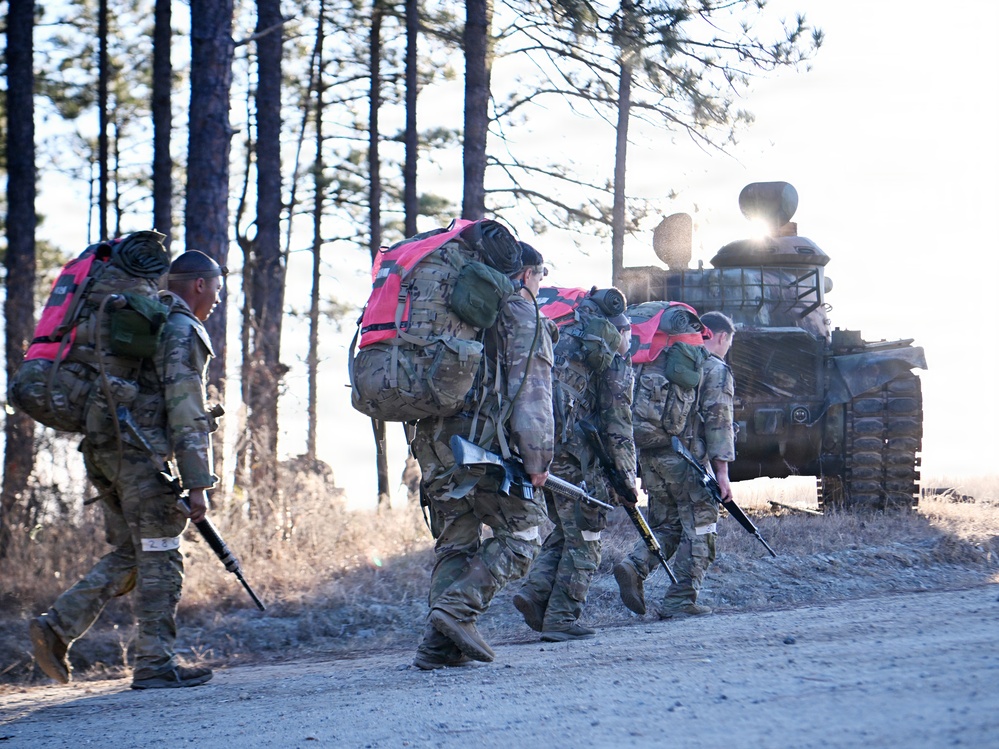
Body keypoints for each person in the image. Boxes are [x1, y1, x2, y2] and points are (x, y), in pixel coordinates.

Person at [30, 250, 225, 689]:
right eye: (217, 285)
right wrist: (198, 483)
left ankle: (56, 627)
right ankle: (155, 664)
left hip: (106, 450)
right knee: (161, 555)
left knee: (133, 554)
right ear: (199, 284)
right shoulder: (179, 328)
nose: (217, 296)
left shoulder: (146, 322)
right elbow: (186, 407)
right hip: (141, 456)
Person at [410, 238, 557, 670]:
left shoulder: (448, 306)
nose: (541, 283)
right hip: (483, 446)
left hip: (433, 442)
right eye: (542, 275)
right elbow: (533, 393)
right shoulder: (520, 312)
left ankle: (438, 648)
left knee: (456, 541)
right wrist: (538, 460)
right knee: (526, 534)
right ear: (527, 274)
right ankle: (457, 612)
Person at [512, 287, 636, 641]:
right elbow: (618, 423)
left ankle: (536, 593)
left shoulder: (564, 341)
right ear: (620, 329)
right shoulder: (610, 357)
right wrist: (627, 478)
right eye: (629, 333)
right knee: (587, 534)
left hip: (541, 451)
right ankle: (562, 617)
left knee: (568, 530)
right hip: (577, 459)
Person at [613, 310, 736, 619]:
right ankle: (682, 599)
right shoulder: (714, 368)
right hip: (688, 461)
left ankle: (635, 565)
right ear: (720, 336)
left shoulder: (662, 360)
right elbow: (719, 422)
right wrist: (721, 473)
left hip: (652, 456)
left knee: (667, 525)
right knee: (702, 526)